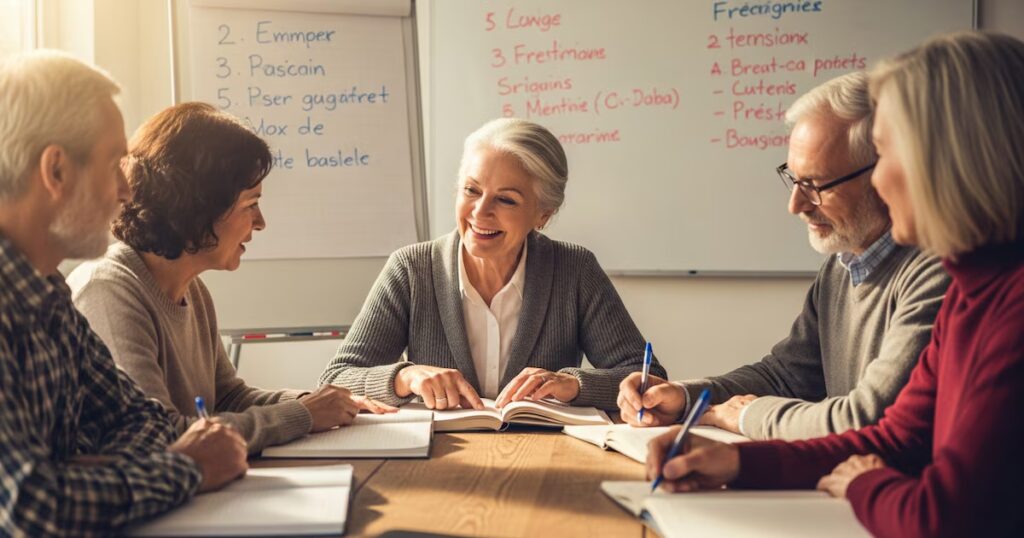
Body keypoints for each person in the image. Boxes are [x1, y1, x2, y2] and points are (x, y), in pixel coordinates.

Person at [647, 31, 1024, 537]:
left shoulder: (1006, 305)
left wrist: (862, 484)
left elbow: (941, 516)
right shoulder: (970, 293)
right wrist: (736, 464)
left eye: (888, 156)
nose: (883, 184)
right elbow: (895, 437)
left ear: (950, 163)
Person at [617, 71, 949, 440]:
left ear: (883, 171)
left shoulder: (937, 272)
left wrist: (745, 416)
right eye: (794, 179)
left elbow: (868, 417)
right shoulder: (841, 267)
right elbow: (786, 376)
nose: (796, 205)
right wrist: (685, 397)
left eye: (816, 185)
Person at [0, 51, 248, 535]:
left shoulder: (48, 296)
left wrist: (76, 473)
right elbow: (28, 509)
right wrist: (189, 469)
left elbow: (145, 420)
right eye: (115, 164)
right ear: (56, 172)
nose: (127, 191)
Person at [68, 102, 395, 455]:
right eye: (250, 204)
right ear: (199, 207)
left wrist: (317, 402)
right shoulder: (108, 291)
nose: (260, 222)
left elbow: (228, 397)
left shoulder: (194, 290)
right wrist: (302, 413)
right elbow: (162, 436)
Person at [320, 118, 664, 410]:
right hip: (439, 461)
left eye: (505, 199)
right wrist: (405, 376)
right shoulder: (411, 268)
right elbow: (336, 380)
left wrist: (573, 384)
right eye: (471, 190)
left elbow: (648, 380)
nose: (480, 212)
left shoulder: (575, 269)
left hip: (545, 456)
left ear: (542, 215)